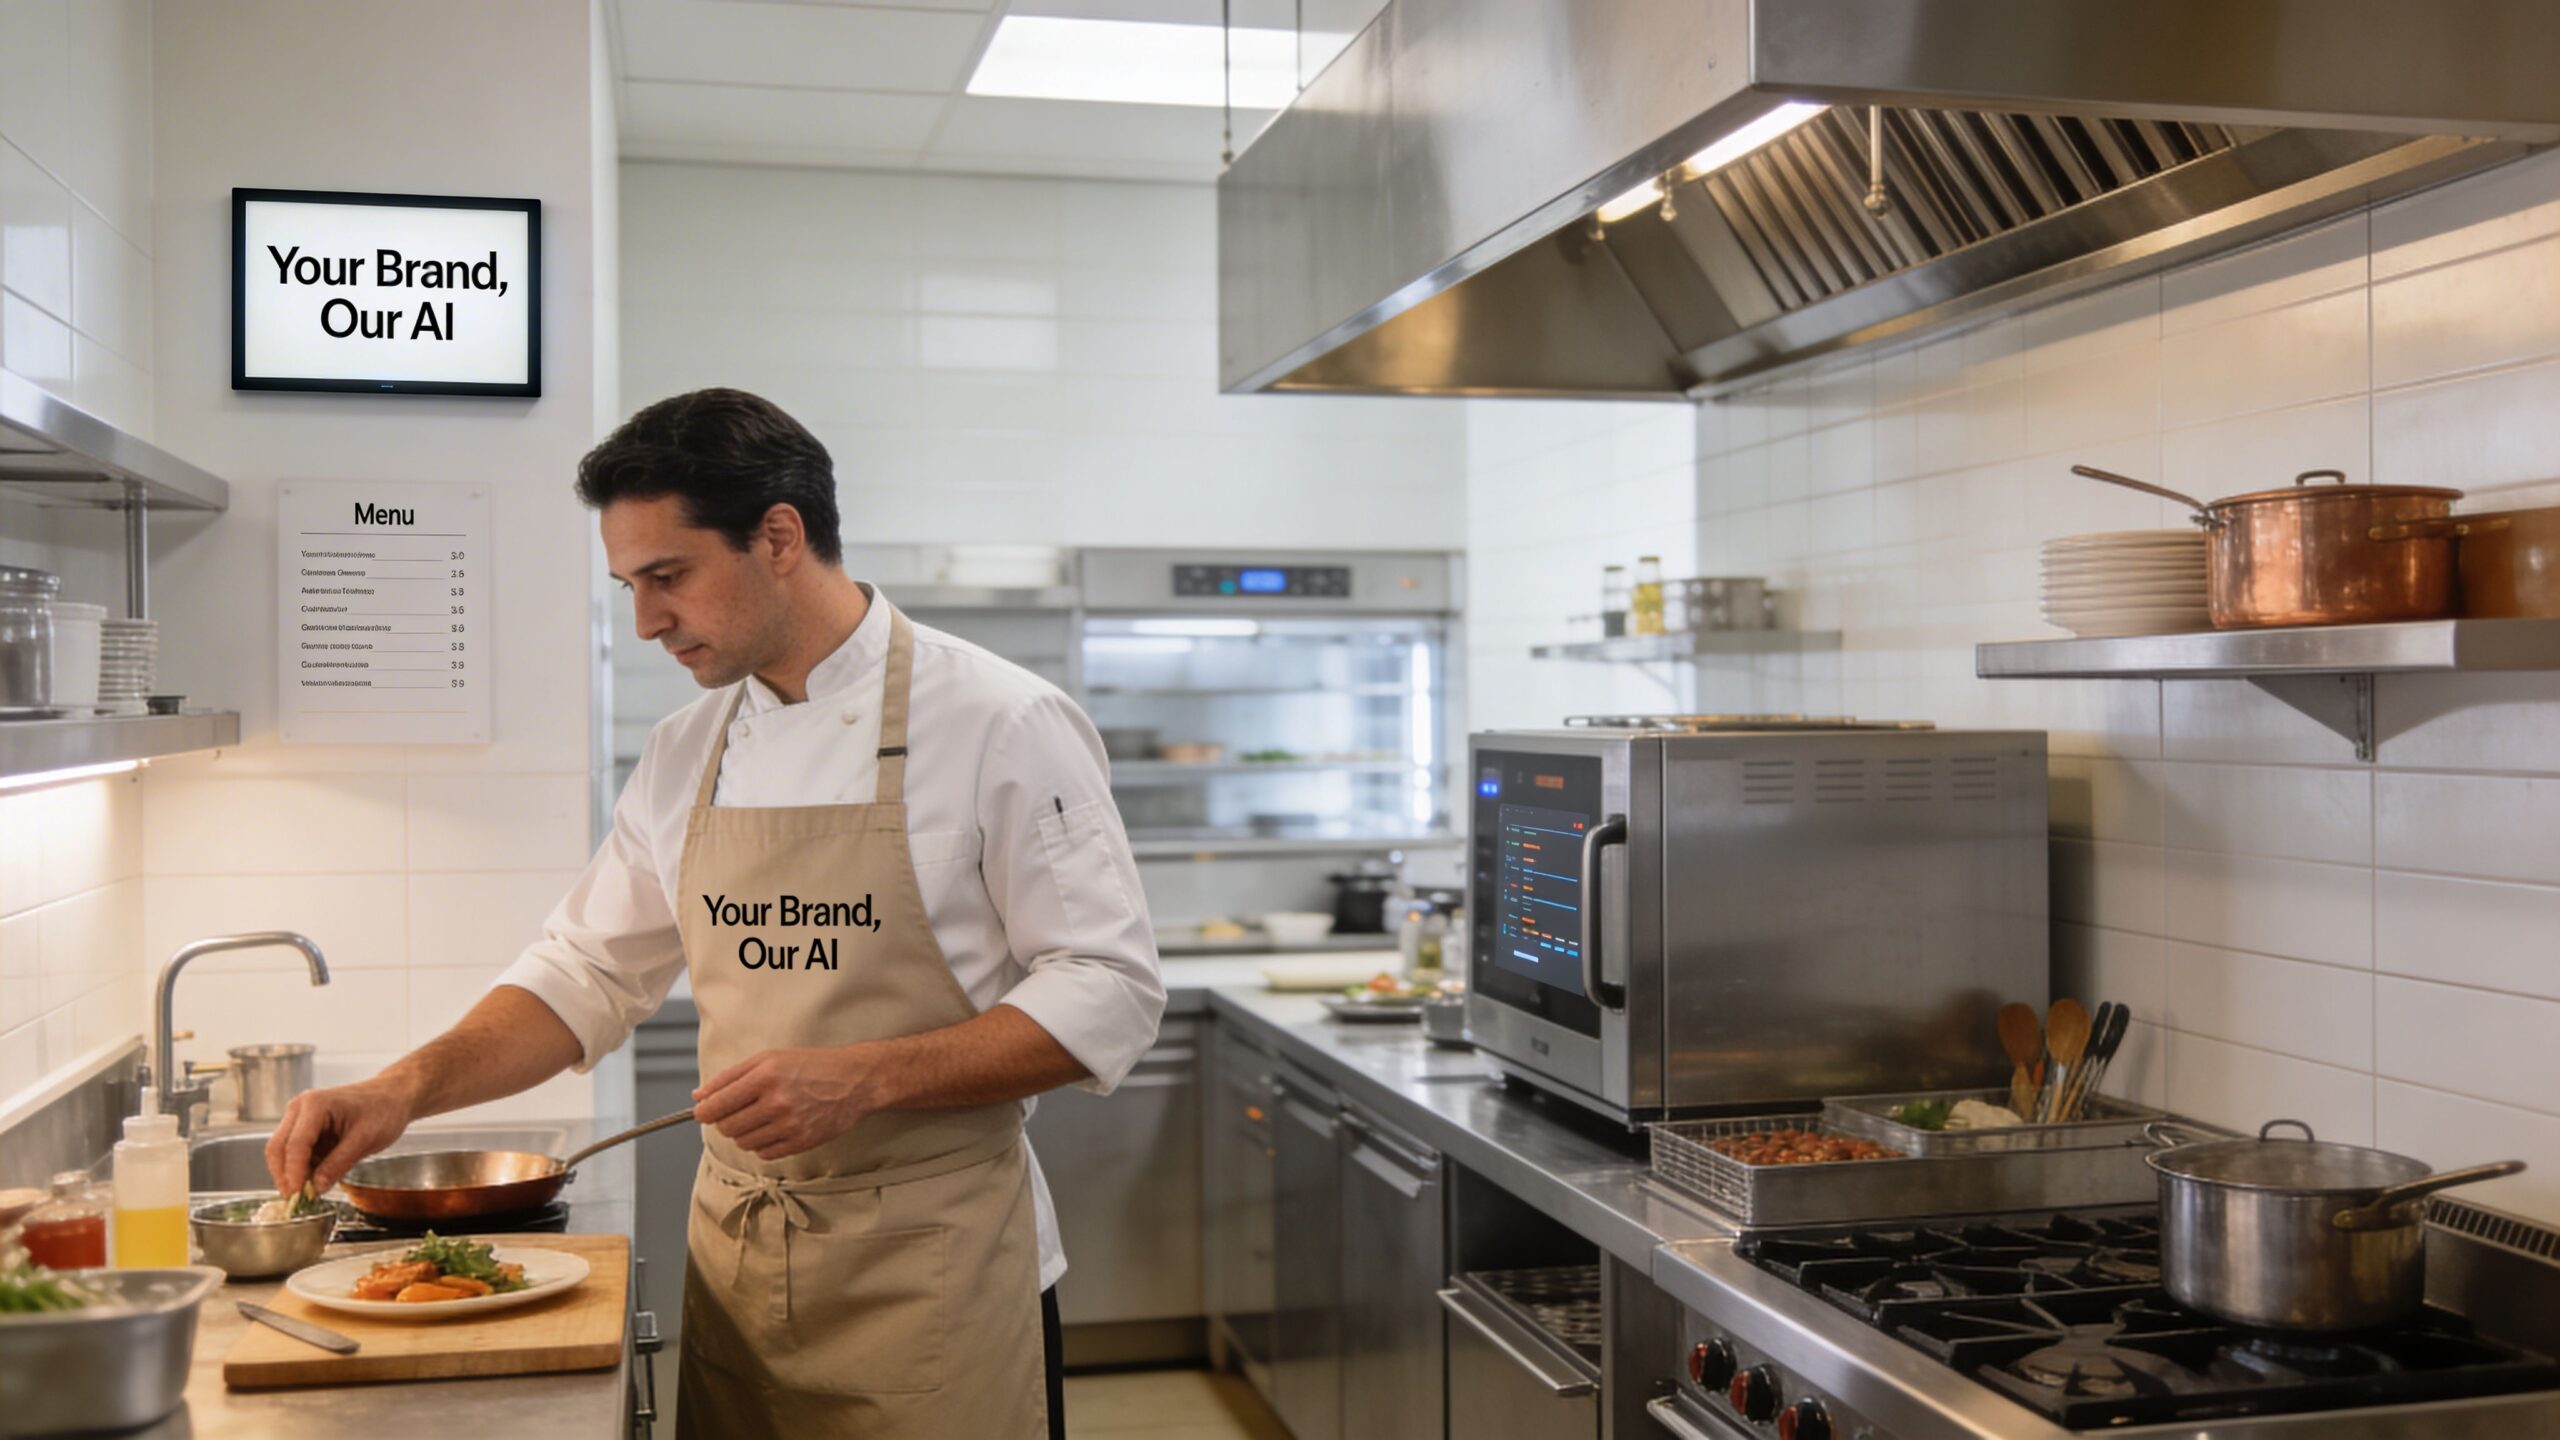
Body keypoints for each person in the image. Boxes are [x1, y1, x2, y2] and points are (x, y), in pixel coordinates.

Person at [268, 387, 1165, 1439]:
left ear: (779, 538)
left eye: (668, 577)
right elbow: (584, 972)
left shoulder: (999, 721)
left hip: (941, 1269)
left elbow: (1108, 987)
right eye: (629, 586)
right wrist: (402, 1089)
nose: (646, 621)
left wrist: (866, 1077)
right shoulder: (686, 752)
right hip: (743, 1265)